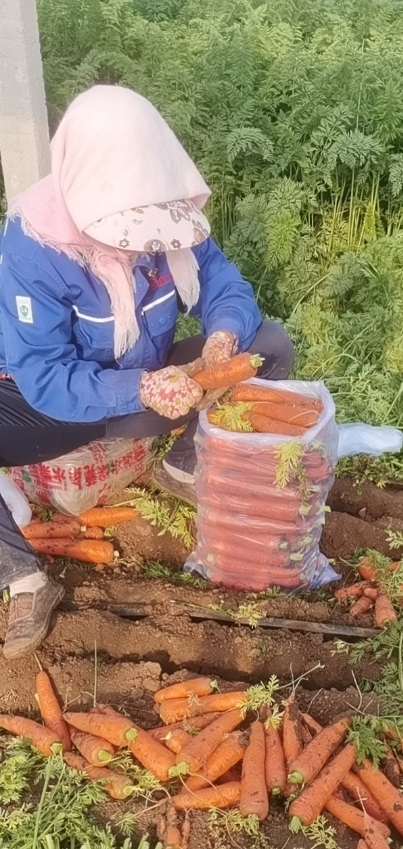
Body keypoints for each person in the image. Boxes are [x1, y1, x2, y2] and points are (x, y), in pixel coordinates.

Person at [0, 85, 293, 659]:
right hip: (52, 401)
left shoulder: (166, 215)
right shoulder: (35, 247)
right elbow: (45, 374)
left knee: (270, 345)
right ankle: (22, 578)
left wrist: (222, 334)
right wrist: (139, 387)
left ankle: (184, 466)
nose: (141, 248)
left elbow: (222, 282)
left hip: (153, 390)